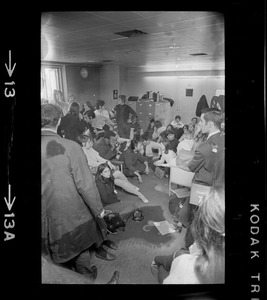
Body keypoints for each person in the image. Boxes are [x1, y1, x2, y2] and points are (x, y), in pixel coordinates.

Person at [41, 104, 118, 282]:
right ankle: (86, 275)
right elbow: (86, 185)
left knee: (53, 257)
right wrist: (99, 210)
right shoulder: (70, 147)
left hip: (45, 216)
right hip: (69, 213)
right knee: (79, 245)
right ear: (58, 121)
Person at [151, 188, 225, 284]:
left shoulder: (186, 266)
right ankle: (160, 259)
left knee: (165, 264)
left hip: (187, 263)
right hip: (194, 253)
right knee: (180, 253)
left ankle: (156, 261)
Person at [80, 133, 149, 203]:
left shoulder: (90, 149)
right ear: (83, 143)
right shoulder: (82, 151)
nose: (91, 143)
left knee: (119, 173)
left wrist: (108, 162)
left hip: (102, 169)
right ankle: (139, 194)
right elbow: (91, 163)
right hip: (95, 173)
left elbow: (99, 158)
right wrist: (106, 163)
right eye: (89, 142)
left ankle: (131, 187)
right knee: (120, 182)